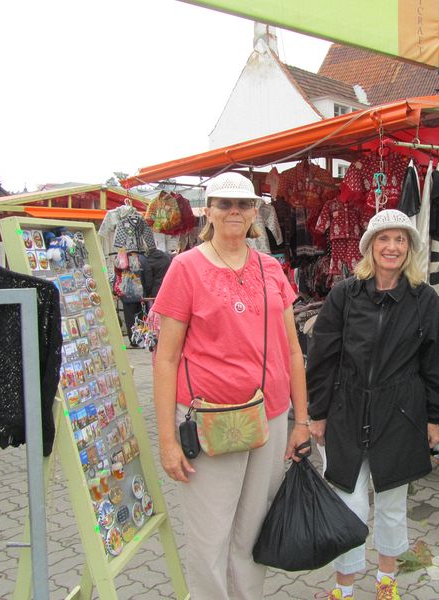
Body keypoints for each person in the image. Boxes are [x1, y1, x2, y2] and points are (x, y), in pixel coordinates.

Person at [151, 171, 310, 600]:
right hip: (209, 422)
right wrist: (167, 439)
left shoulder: (271, 267)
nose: (234, 212)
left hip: (271, 416)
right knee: (209, 539)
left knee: (251, 534)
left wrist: (302, 420)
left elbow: (293, 351)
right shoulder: (185, 267)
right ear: (209, 211)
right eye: (224, 204)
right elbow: (165, 359)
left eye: (242, 205)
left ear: (255, 212)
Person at [307, 209, 439, 600]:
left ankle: (387, 583)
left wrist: (435, 416)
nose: (392, 247)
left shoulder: (423, 298)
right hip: (346, 409)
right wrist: (317, 413)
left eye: (401, 239)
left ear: (410, 248)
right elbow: (322, 357)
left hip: (401, 411)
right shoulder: (345, 294)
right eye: (384, 239)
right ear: (370, 247)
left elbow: (435, 360)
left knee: (391, 502)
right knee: (349, 503)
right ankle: (345, 587)